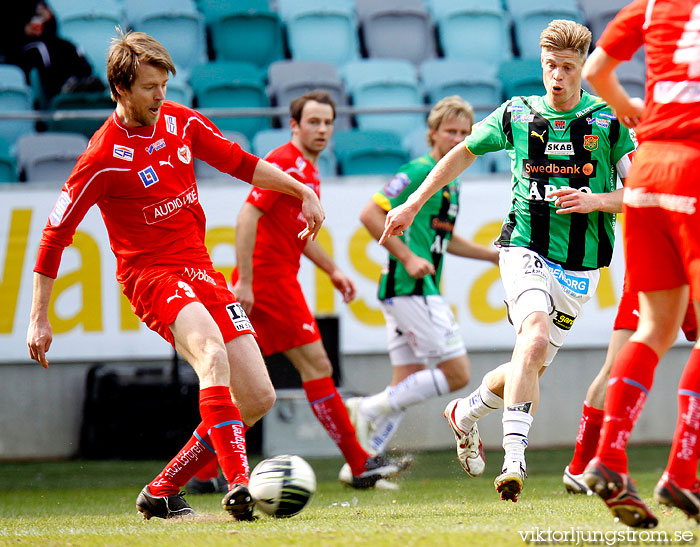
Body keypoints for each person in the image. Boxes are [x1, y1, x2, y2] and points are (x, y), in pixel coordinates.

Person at [25, 30, 325, 521]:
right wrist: (39, 316)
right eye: (149, 87)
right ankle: (240, 484)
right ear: (120, 89)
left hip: (200, 270)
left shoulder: (181, 123)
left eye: (164, 84)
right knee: (211, 355)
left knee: (258, 396)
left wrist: (300, 191)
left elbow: (241, 163)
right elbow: (55, 234)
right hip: (152, 277)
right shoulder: (101, 157)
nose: (160, 95)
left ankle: (162, 490)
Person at [380, 19, 636, 503]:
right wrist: (413, 202)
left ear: (584, 67)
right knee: (533, 336)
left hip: (579, 267)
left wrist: (595, 201)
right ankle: (515, 460)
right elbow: (463, 152)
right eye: (549, 66)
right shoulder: (517, 113)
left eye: (566, 66)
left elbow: (642, 191)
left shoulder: (607, 121)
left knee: (530, 362)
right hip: (523, 247)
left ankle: (468, 412)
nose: (556, 76)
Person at [229, 90, 411, 489]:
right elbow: (247, 216)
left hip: (275, 279)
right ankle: (359, 462)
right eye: (313, 121)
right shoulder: (283, 162)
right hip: (267, 280)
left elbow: (299, 232)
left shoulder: (308, 170)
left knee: (245, 387)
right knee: (317, 367)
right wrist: (244, 279)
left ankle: (205, 472)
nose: (322, 129)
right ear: (294, 125)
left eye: (328, 122)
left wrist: (332, 270)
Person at [580, 0, 700, 528]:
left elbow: (594, 72)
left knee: (653, 329)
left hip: (646, 173)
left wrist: (628, 107)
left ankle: (609, 458)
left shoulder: (650, 6)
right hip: (694, 169)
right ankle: (683, 471)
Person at [343, 96, 498, 467]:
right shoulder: (418, 171)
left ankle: (365, 461)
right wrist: (409, 257)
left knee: (408, 382)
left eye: (465, 133)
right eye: (451, 132)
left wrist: (491, 255)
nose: (458, 139)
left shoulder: (451, 183)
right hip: (410, 287)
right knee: (457, 373)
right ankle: (363, 407)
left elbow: (444, 240)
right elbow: (369, 214)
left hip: (407, 290)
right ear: (432, 133)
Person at [563, 282, 696, 495]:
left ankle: (589, 465)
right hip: (679, 257)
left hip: (661, 258)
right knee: (618, 361)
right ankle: (678, 476)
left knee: (620, 359)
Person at [0, 1, 101, 102]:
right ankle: (61, 87)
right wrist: (25, 28)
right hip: (19, 47)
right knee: (41, 50)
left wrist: (48, 19)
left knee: (67, 46)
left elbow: (52, 29)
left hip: (43, 40)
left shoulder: (40, 3)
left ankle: (85, 80)